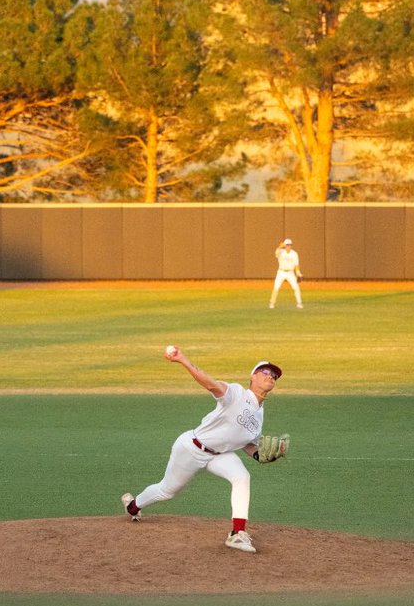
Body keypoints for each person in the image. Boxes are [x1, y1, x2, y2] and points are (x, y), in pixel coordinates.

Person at [120, 348, 288, 554]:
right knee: (167, 491)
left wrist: (260, 455)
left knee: (242, 476)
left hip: (219, 455)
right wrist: (182, 359)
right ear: (252, 377)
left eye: (274, 375)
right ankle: (133, 506)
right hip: (192, 447)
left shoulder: (259, 416)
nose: (270, 376)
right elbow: (209, 383)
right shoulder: (236, 393)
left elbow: (247, 443)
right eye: (264, 372)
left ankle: (237, 534)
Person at [270, 237, 303, 309]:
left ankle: (299, 303)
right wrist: (280, 246)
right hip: (281, 272)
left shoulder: (294, 254)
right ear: (285, 245)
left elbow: (296, 264)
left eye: (289, 245)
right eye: (287, 245)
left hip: (290, 272)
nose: (288, 246)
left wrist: (298, 272)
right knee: (276, 287)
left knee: (296, 287)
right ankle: (272, 303)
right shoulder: (281, 252)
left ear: (291, 245)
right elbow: (276, 253)